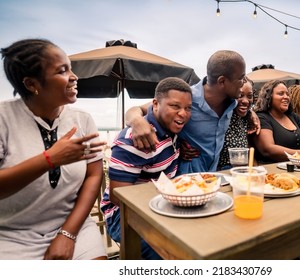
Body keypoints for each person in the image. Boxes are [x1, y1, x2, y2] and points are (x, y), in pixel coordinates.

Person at [0, 39, 107, 260]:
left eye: (71, 67)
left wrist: (68, 234)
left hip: (73, 223)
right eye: (62, 70)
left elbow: (94, 175)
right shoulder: (3, 119)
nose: (74, 76)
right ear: (32, 84)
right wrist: (50, 159)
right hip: (10, 234)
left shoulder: (82, 120)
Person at [100, 77, 193, 260]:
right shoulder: (135, 140)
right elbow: (119, 197)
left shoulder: (171, 130)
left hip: (160, 204)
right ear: (155, 105)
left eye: (188, 108)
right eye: (175, 106)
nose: (183, 113)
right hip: (122, 215)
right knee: (177, 254)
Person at [125, 50, 259, 175]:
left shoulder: (232, 103)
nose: (243, 83)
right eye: (241, 78)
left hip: (213, 178)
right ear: (222, 81)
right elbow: (138, 110)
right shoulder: (187, 99)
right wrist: (137, 121)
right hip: (185, 181)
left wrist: (252, 114)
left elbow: (244, 108)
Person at [252, 79, 300, 163]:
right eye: (280, 94)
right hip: (273, 171)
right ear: (268, 96)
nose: (286, 97)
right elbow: (268, 149)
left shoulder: (293, 116)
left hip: (299, 168)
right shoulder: (262, 117)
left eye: (287, 94)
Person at [217, 77, 254, 170]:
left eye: (249, 96)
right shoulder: (219, 116)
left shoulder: (246, 118)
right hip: (220, 174)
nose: (245, 101)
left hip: (241, 172)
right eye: (240, 95)